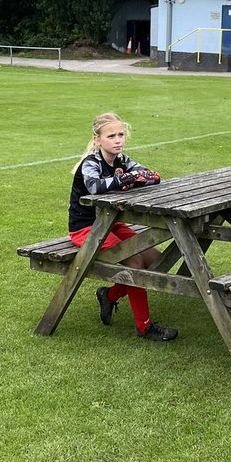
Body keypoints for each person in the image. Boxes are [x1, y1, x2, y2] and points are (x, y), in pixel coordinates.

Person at [69, 112, 177, 343]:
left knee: (155, 259)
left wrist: (134, 177)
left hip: (112, 223)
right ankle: (144, 327)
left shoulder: (122, 160)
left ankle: (109, 294)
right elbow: (94, 187)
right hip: (86, 228)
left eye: (120, 135)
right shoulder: (91, 163)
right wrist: (126, 180)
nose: (118, 140)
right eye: (111, 136)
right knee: (135, 262)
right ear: (98, 140)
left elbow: (152, 176)